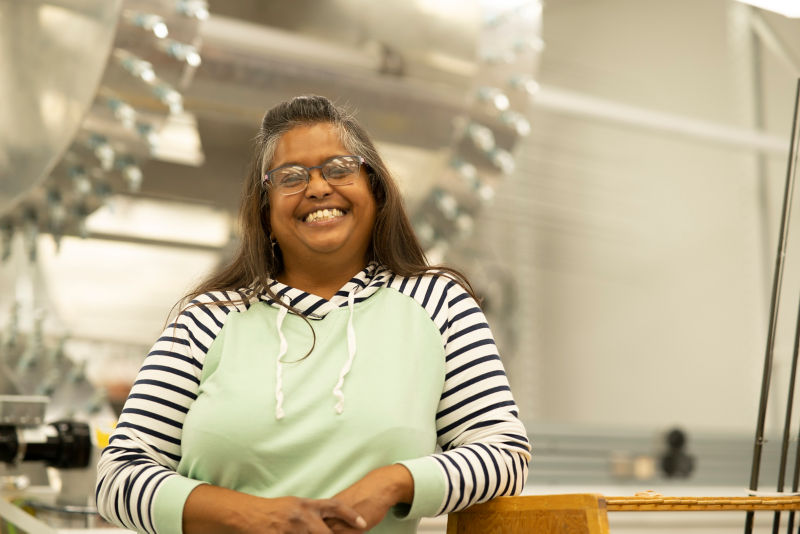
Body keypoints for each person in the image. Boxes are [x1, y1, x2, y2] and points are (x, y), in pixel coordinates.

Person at [96, 95, 531, 534]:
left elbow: (504, 454)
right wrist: (255, 516)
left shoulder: (439, 304)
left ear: (375, 190)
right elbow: (118, 477)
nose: (318, 188)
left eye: (339, 169)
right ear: (265, 211)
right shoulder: (206, 319)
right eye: (291, 177)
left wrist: (393, 483)